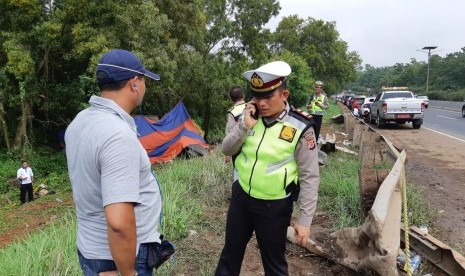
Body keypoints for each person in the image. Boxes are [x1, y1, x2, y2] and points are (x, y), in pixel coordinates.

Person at [215, 61, 320, 276]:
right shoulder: (247, 117)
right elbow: (226, 149)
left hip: (274, 206)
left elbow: (310, 176)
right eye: (256, 97)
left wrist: (305, 220)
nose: (261, 103)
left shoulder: (301, 127)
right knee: (230, 255)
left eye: (268, 97)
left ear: (284, 95)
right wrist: (244, 126)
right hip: (241, 198)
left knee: (274, 264)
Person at [65, 49, 163, 276]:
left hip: (93, 250)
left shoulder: (81, 121)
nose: (145, 86)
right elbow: (119, 222)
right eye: (144, 80)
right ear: (134, 84)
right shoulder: (117, 134)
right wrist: (127, 273)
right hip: (118, 259)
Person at [225, 86, 246, 165]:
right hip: (253, 145)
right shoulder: (252, 107)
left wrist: (228, 153)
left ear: (231, 98)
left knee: (238, 171)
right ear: (243, 95)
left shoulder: (232, 112)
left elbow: (230, 133)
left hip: (238, 147)